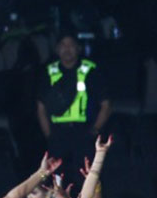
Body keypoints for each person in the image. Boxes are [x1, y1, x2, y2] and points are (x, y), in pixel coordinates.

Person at [36, 35, 110, 166]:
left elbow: (106, 105)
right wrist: (49, 135)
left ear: (78, 48)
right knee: (57, 175)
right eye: (63, 45)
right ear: (57, 49)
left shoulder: (91, 71)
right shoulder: (48, 72)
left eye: (71, 45)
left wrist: (94, 130)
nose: (67, 49)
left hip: (83, 133)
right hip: (58, 134)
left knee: (85, 174)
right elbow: (41, 107)